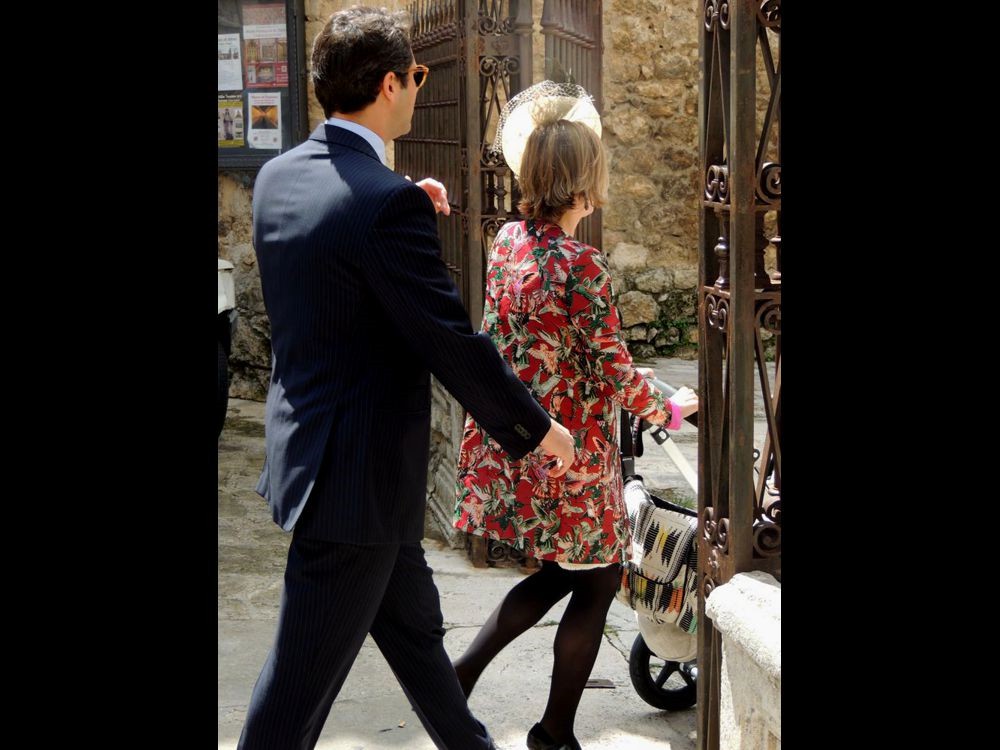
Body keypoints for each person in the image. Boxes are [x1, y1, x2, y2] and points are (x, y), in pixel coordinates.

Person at [238, 9, 576, 750]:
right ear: (391, 84)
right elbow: (450, 341)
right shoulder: (382, 205)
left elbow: (335, 262)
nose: (420, 86)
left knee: (420, 647)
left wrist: (397, 195)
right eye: (417, 75)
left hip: (330, 467)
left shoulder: (280, 178)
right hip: (353, 489)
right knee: (291, 698)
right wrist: (537, 428)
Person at [452, 82, 699, 750]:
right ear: (584, 184)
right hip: (573, 453)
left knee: (567, 572)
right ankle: (554, 732)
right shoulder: (582, 264)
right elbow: (613, 369)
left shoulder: (508, 242)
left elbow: (519, 342)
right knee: (598, 578)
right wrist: (672, 407)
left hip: (520, 442)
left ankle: (462, 678)